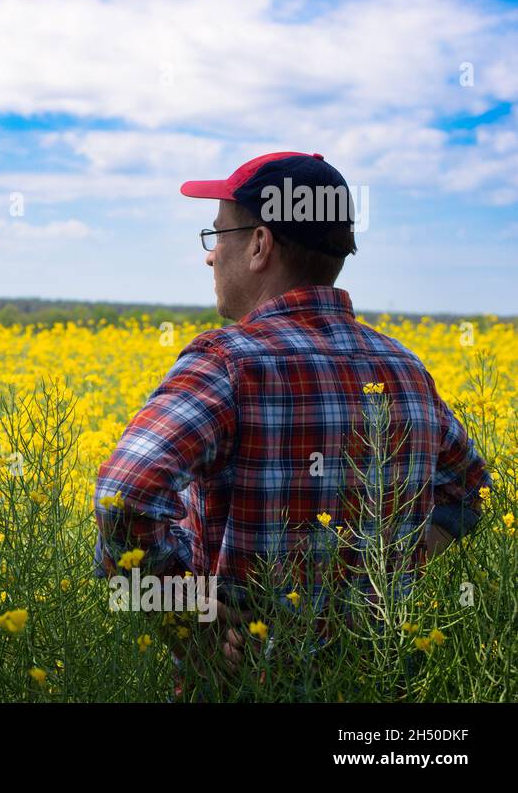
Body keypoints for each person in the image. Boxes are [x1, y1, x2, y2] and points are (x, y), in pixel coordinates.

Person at [92, 151, 492, 685]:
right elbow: (471, 491)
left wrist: (188, 612)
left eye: (218, 236)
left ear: (260, 244)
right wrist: (392, 570)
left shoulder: (230, 363)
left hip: (245, 684)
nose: (210, 258)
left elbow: (122, 495)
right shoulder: (406, 369)